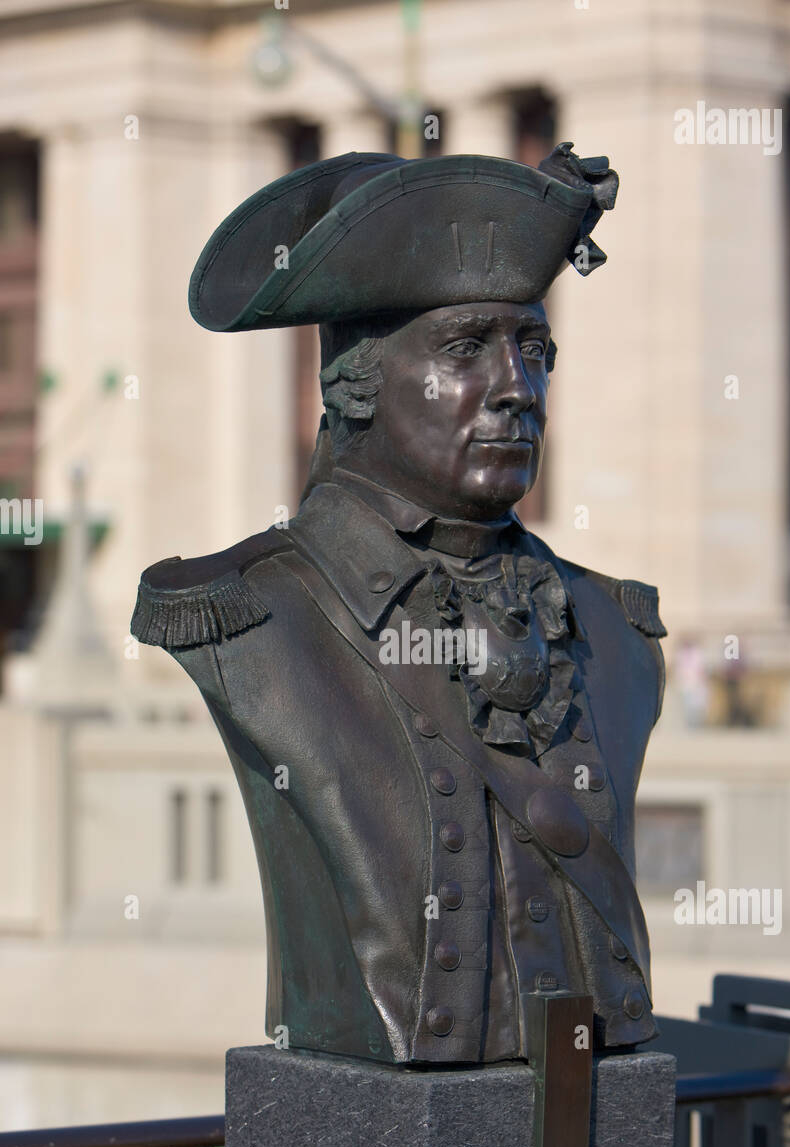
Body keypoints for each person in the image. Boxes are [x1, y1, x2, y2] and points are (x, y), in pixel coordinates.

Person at [132, 144, 667, 1065]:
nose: (517, 390)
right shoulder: (247, 615)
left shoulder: (613, 624)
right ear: (356, 386)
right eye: (465, 349)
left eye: (533, 350)